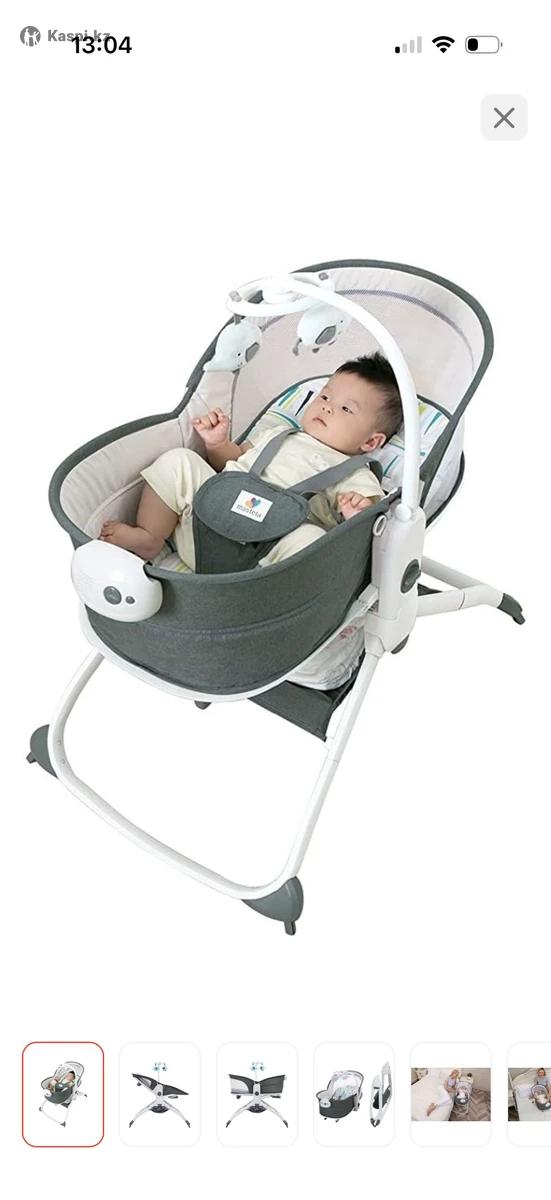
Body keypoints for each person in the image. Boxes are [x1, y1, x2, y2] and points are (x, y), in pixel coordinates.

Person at [100, 353, 402, 569]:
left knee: (312, 541)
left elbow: (370, 529)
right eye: (325, 397)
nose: (327, 408)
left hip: (264, 561)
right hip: (205, 528)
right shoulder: (278, 434)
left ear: (371, 442)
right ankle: (150, 537)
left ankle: (262, 601)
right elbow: (232, 464)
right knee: (179, 462)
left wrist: (356, 514)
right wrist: (217, 443)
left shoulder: (356, 474)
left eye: (346, 409)